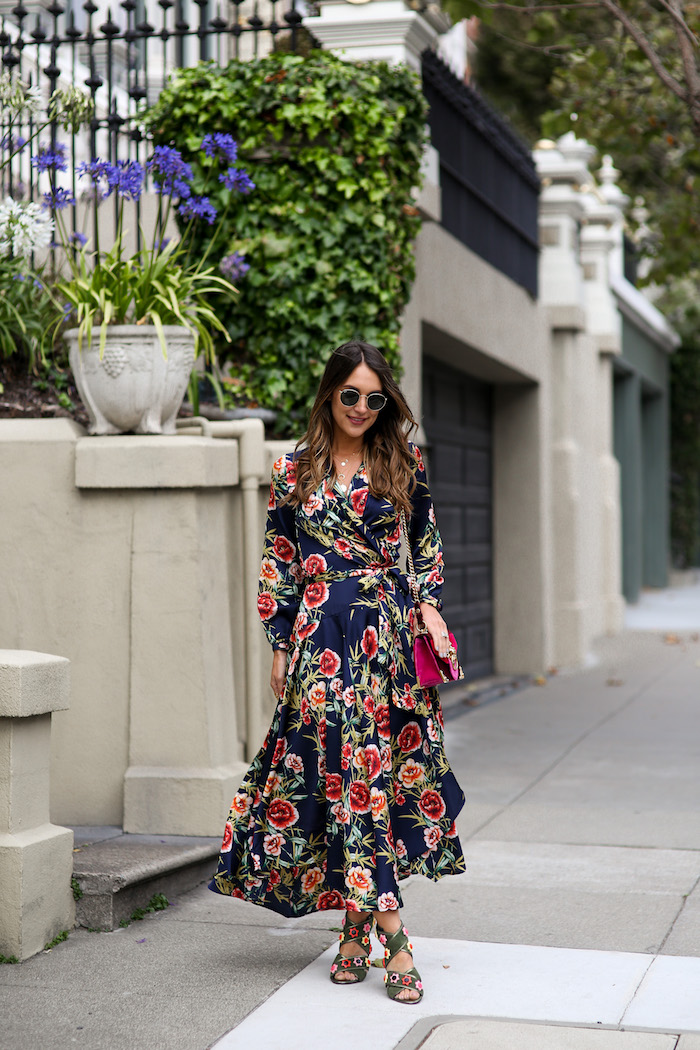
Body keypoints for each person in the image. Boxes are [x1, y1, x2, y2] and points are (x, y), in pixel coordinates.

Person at [209, 341, 465, 1004]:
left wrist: (430, 610)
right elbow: (279, 560)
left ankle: (362, 931)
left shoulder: (400, 460)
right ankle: (395, 937)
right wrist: (277, 643)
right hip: (319, 638)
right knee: (346, 776)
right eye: (350, 395)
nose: (361, 408)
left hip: (388, 635)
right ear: (329, 394)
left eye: (374, 399)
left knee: (371, 777)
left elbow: (428, 544)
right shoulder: (293, 467)